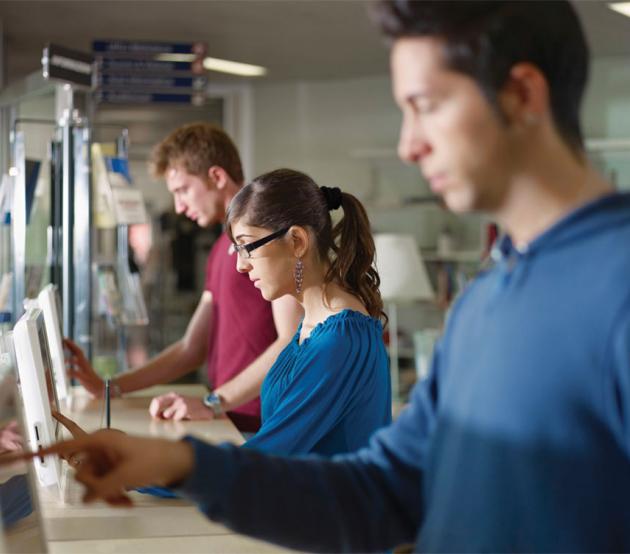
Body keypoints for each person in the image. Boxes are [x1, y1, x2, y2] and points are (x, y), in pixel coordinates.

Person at [23, 1, 630, 551]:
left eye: (425, 106)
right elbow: (385, 489)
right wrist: (176, 464)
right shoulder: (486, 301)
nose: (408, 145)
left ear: (522, 95)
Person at [66, 123, 303, 432]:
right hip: (230, 419)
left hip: (264, 423)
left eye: (183, 190)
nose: (179, 206)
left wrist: (212, 402)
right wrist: (110, 387)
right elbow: (192, 347)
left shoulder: (264, 238)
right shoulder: (222, 248)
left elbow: (291, 339)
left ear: (217, 177)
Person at [226, 168, 391, 455]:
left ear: (297, 242)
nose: (241, 265)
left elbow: (265, 457)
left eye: (247, 246)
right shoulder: (314, 324)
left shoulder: (339, 340)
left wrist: (156, 469)